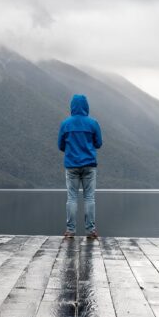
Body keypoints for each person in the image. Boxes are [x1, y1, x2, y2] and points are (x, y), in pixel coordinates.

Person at [57, 94, 102, 239]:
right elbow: (99, 143)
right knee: (89, 198)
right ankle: (90, 231)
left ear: (72, 106)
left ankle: (70, 231)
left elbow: (60, 145)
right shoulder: (93, 123)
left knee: (72, 198)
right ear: (86, 106)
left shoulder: (65, 124)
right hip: (89, 165)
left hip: (71, 165)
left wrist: (71, 150)